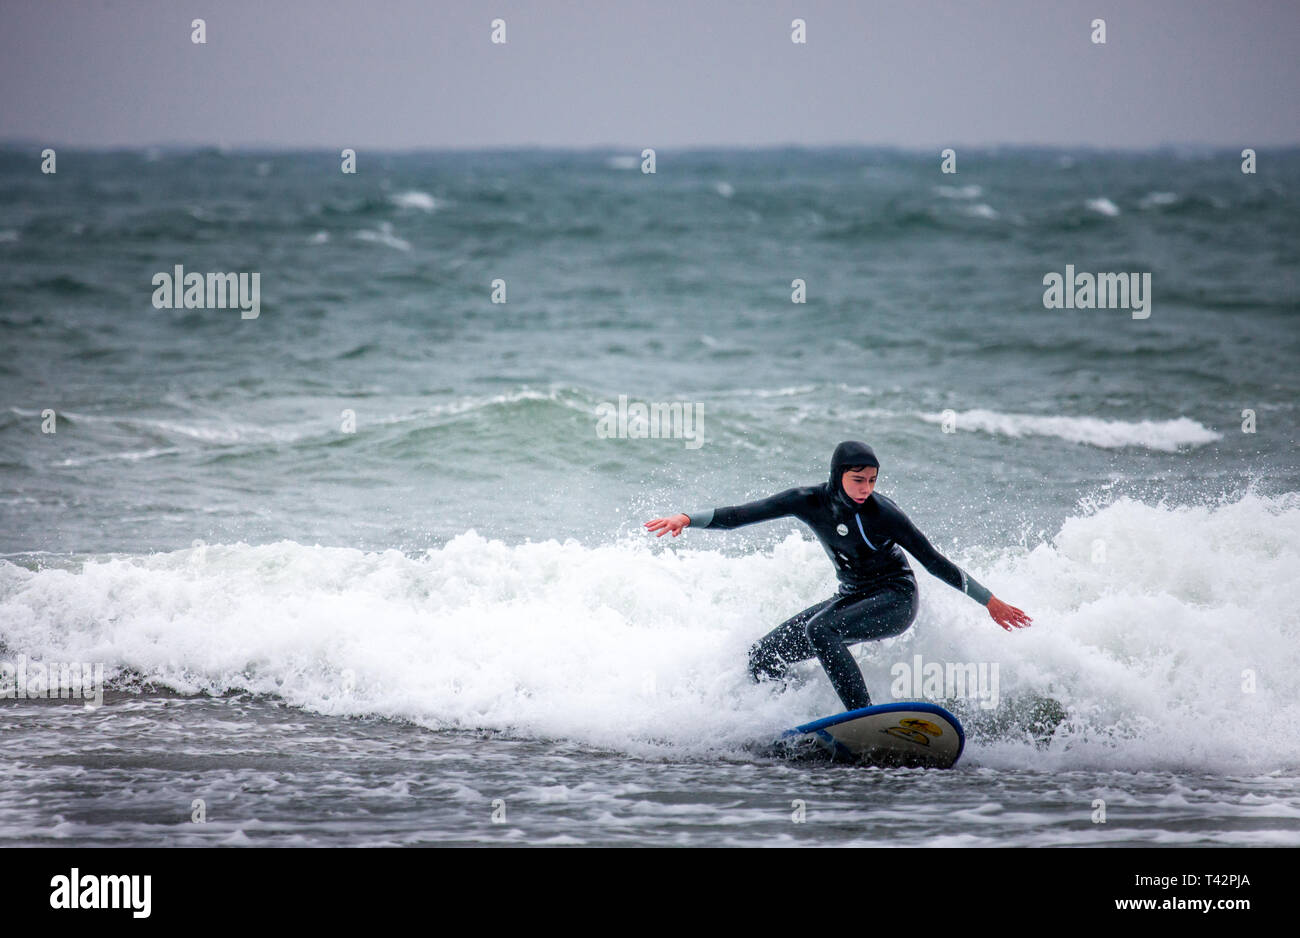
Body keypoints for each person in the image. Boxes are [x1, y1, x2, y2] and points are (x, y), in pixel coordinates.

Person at [644, 440, 1032, 712]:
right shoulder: (807, 501)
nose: (866, 489)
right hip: (852, 597)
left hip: (895, 600)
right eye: (858, 479)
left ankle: (863, 718)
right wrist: (686, 519)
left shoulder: (884, 514)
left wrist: (990, 601)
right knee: (763, 657)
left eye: (872, 480)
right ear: (837, 475)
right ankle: (786, 716)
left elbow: (933, 561)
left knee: (821, 630)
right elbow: (741, 515)